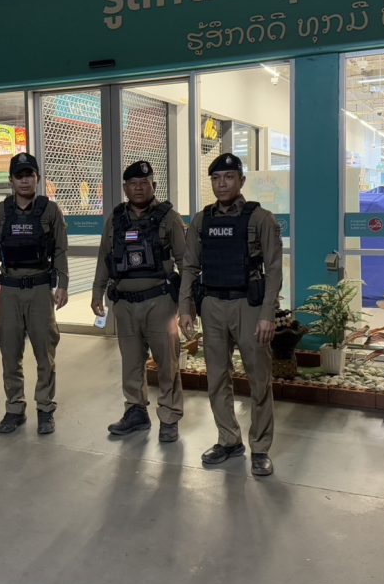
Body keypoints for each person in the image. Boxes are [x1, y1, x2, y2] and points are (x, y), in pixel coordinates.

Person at [178, 152, 282, 477]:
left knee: (259, 379)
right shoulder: (201, 220)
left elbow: (274, 270)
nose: (221, 184)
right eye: (216, 178)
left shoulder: (260, 219)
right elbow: (190, 266)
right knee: (217, 377)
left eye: (228, 177)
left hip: (248, 307)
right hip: (212, 306)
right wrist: (185, 307)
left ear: (241, 181)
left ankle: (260, 448)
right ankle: (229, 439)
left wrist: (268, 314)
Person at [0, 152, 69, 435]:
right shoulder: (0, 212)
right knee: (10, 351)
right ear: (11, 180)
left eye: (29, 175)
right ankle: (14, 408)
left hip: (40, 289)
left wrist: (63, 284)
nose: (25, 181)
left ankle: (45, 408)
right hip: (10, 290)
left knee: (45, 353)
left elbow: (60, 250)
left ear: (37, 178)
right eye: (19, 176)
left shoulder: (50, 210)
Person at [92, 160, 186, 443]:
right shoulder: (115, 219)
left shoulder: (169, 218)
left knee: (167, 362)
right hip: (125, 304)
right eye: (133, 184)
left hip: (160, 302)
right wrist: (97, 292)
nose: (139, 188)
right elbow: (104, 257)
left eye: (144, 183)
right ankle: (135, 412)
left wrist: (188, 303)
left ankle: (169, 417)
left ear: (153, 185)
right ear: (125, 188)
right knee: (131, 362)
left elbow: (185, 262)